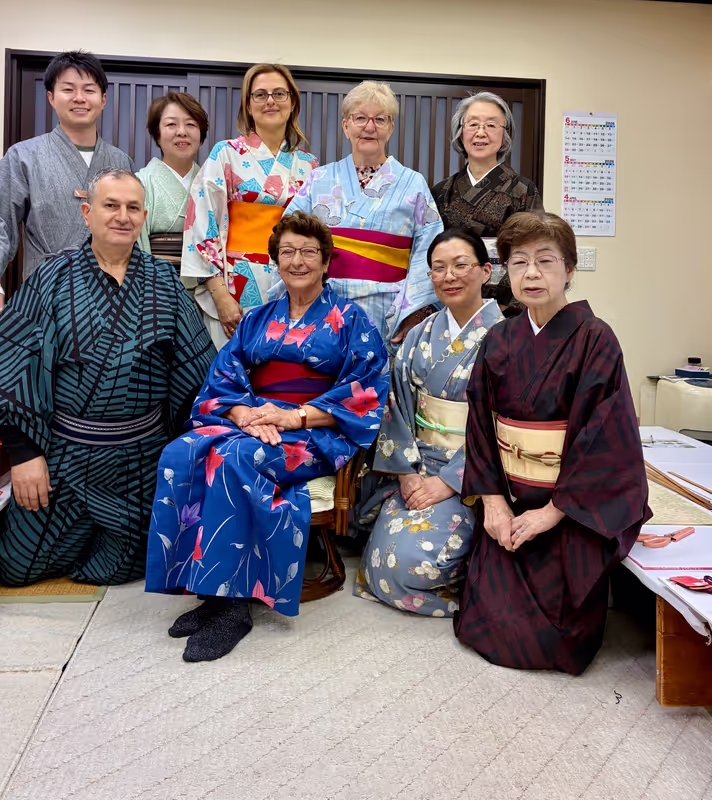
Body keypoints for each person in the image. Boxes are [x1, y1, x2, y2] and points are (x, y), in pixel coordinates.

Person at [146, 211, 389, 662]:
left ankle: (232, 607)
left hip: (315, 431)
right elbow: (224, 376)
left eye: (308, 252)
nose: (298, 261)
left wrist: (292, 417)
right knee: (180, 452)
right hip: (257, 420)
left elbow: (367, 391)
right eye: (287, 252)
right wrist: (245, 413)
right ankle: (207, 589)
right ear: (276, 260)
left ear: (326, 262)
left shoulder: (352, 319)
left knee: (235, 460)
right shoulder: (257, 318)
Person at [0, 169, 215, 586]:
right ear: (87, 212)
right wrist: (24, 454)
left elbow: (198, 369)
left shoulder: (165, 281)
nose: (122, 216)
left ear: (144, 217)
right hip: (65, 456)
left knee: (121, 571)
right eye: (110, 205)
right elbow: (7, 368)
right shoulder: (51, 278)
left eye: (133, 208)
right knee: (16, 568)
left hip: (140, 463)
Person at [453, 212, 650, 673]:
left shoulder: (595, 339)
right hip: (512, 501)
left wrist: (551, 513)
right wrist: (495, 506)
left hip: (569, 510)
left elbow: (605, 436)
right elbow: (480, 427)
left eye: (545, 261)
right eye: (518, 263)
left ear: (569, 270)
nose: (531, 274)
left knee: (554, 638)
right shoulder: (499, 339)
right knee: (483, 621)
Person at [354, 229, 503, 616]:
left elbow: (502, 423)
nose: (449, 276)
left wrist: (449, 481)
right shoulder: (419, 333)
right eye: (438, 268)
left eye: (460, 265)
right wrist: (406, 473)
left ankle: (478, 576)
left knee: (408, 564)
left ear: (485, 271)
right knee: (382, 560)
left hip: (476, 475)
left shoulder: (506, 339)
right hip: (417, 465)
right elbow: (396, 407)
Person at [0, 50, 133, 321]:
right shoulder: (24, 156)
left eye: (88, 90)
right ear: (51, 98)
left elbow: (133, 230)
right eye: (68, 89)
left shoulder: (121, 161)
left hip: (112, 297)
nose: (79, 98)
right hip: (45, 296)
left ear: (103, 100)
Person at [282, 81, 442, 350]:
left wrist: (414, 311)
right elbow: (289, 236)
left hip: (389, 307)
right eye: (360, 118)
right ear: (346, 126)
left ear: (391, 128)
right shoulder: (319, 179)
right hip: (321, 302)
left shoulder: (413, 183)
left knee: (378, 385)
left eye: (380, 119)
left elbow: (430, 248)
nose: (370, 127)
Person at [182, 63, 318, 347]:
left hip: (294, 281)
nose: (270, 101)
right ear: (248, 104)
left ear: (293, 102)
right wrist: (220, 294)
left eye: (279, 94)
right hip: (235, 282)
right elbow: (203, 222)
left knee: (286, 377)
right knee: (234, 375)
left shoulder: (310, 165)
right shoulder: (226, 154)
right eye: (260, 95)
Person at [431, 92, 543, 312]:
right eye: (473, 124)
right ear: (460, 132)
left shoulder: (522, 189)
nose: (481, 133)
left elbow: (534, 250)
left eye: (491, 125)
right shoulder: (441, 191)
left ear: (505, 135)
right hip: (450, 300)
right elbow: (430, 250)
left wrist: (510, 306)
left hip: (503, 308)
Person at [136, 91, 208, 277]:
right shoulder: (141, 183)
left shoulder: (212, 184)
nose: (181, 132)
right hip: (156, 290)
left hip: (206, 294)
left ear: (201, 135)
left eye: (191, 124)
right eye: (171, 124)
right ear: (157, 136)